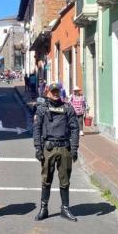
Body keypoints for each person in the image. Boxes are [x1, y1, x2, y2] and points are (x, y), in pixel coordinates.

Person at [33, 83, 80, 222]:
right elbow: (36, 129)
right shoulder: (42, 109)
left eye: (57, 91)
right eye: (53, 91)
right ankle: (43, 208)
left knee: (65, 180)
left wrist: (74, 148)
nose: (55, 93)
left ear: (60, 92)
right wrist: (37, 147)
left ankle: (65, 208)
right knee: (46, 179)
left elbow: (74, 129)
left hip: (65, 148)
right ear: (48, 92)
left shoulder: (67, 108)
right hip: (48, 148)